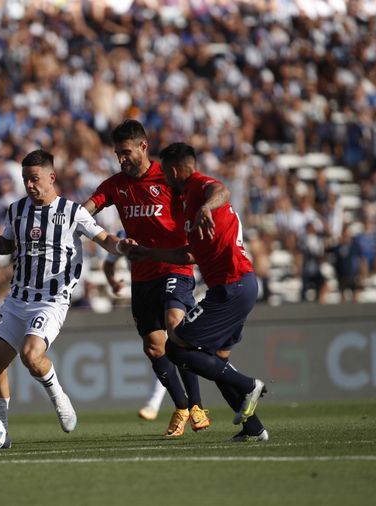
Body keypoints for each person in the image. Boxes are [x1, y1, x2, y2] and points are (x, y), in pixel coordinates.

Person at [0, 149, 127, 448]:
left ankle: (59, 397)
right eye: (25, 180)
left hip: (51, 299)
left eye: (35, 179)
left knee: (32, 356)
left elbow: (104, 238)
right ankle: (1, 433)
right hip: (17, 299)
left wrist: (123, 247)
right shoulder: (16, 210)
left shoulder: (73, 212)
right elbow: (8, 245)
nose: (30, 186)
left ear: (51, 177)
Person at [124, 142, 268, 442]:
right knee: (215, 360)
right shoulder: (186, 202)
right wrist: (149, 253)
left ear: (175, 171)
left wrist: (206, 206)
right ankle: (253, 428)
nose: (163, 178)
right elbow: (189, 255)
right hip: (233, 287)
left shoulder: (199, 188)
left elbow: (222, 192)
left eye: (164, 172)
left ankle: (247, 385)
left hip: (233, 286)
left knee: (177, 347)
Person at [82, 120, 209, 437]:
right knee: (154, 348)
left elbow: (198, 194)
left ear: (143, 146)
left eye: (126, 152)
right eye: (117, 153)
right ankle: (180, 407)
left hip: (173, 266)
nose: (121, 159)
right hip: (142, 274)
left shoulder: (167, 178)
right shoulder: (115, 185)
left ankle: (197, 405)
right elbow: (87, 209)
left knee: (175, 327)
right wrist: (71, 219)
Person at [102, 230, 166, 421]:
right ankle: (175, 404)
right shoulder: (124, 233)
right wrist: (113, 283)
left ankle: (158, 403)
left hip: (173, 284)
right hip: (145, 290)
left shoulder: (162, 220)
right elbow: (108, 263)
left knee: (180, 347)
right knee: (160, 348)